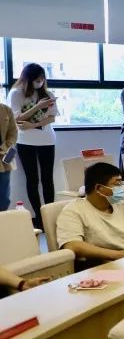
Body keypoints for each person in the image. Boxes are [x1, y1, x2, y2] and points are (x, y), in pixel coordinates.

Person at [57, 162, 124, 264]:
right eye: (117, 184)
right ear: (99, 188)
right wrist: (119, 255)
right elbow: (73, 245)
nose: (122, 188)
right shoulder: (73, 210)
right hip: (101, 266)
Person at [8, 63, 57, 222]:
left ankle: (50, 215)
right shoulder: (16, 94)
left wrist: (34, 125)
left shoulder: (47, 94)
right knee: (32, 179)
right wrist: (38, 106)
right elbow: (16, 118)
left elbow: (52, 118)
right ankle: (39, 217)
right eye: (37, 79)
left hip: (47, 140)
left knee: (47, 179)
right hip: (25, 142)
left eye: (42, 78)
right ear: (28, 79)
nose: (40, 82)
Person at [0, 100, 16, 212]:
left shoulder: (6, 109)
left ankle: (3, 220)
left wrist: (4, 147)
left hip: (5, 155)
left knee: (4, 197)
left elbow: (13, 133)